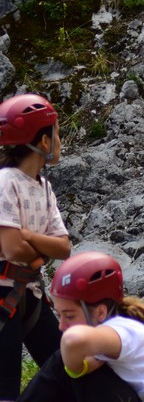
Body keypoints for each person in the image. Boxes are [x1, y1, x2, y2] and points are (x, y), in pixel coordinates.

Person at [19, 251, 144, 402]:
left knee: (62, 362)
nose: (61, 326)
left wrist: (75, 368)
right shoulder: (119, 328)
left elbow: (71, 340)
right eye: (59, 315)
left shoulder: (120, 328)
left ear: (101, 312)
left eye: (69, 316)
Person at [0, 94, 72, 400]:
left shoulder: (44, 187)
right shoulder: (5, 181)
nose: (60, 140)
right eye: (56, 133)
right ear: (44, 142)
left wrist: (28, 236)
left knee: (65, 371)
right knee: (5, 387)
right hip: (4, 293)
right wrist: (39, 248)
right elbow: (13, 248)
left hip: (30, 291)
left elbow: (65, 247)